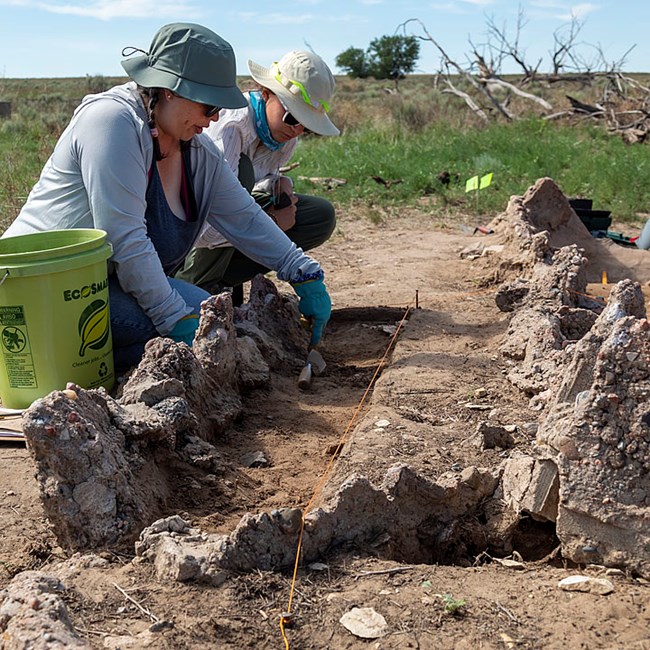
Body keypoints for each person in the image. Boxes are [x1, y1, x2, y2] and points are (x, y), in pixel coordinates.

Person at [2, 23, 331, 369]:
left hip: (106, 285)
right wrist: (173, 320)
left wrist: (302, 271)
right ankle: (55, 365)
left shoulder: (196, 151)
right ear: (171, 89)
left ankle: (98, 362)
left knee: (210, 320)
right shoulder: (112, 123)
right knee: (194, 331)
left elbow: (244, 216)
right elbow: (125, 239)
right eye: (209, 106)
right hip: (40, 292)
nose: (216, 117)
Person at [175, 49, 339, 304]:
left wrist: (278, 186)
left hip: (233, 224)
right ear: (266, 93)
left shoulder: (284, 135)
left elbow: (259, 184)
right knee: (241, 173)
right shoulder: (231, 129)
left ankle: (224, 281)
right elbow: (209, 226)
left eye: (306, 126)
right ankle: (193, 284)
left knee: (319, 216)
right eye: (293, 117)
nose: (297, 130)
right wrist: (272, 221)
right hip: (191, 235)